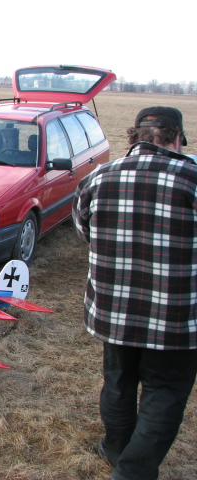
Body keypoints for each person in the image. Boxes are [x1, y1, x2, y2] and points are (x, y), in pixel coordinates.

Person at [72, 106, 197, 480]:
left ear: (134, 137)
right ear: (177, 138)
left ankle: (116, 450)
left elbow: (85, 232)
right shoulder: (192, 179)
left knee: (118, 380)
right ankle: (131, 471)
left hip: (114, 309)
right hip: (176, 317)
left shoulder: (98, 177)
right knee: (165, 391)